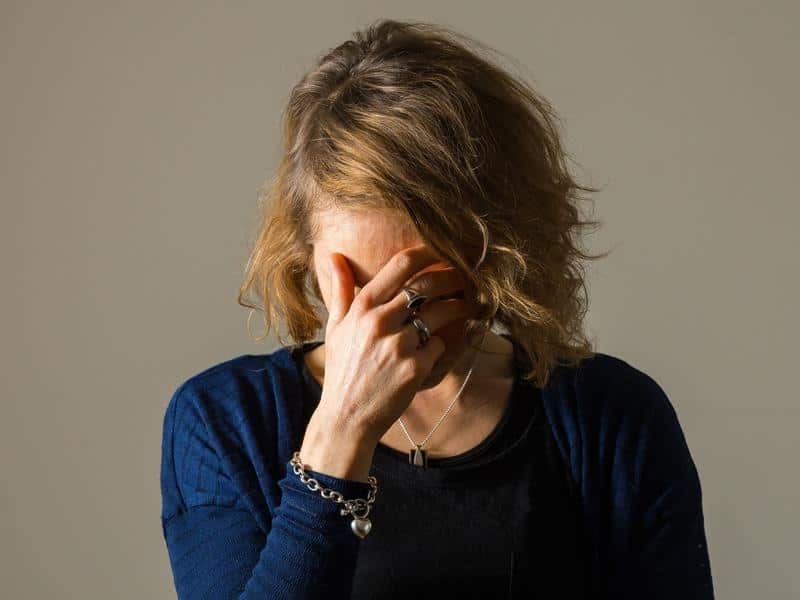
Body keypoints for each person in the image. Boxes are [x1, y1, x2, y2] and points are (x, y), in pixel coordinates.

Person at [159, 18, 714, 599]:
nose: (387, 326)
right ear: (306, 253)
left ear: (496, 253)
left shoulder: (611, 419)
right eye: (359, 285)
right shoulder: (223, 422)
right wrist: (342, 433)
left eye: (420, 286)